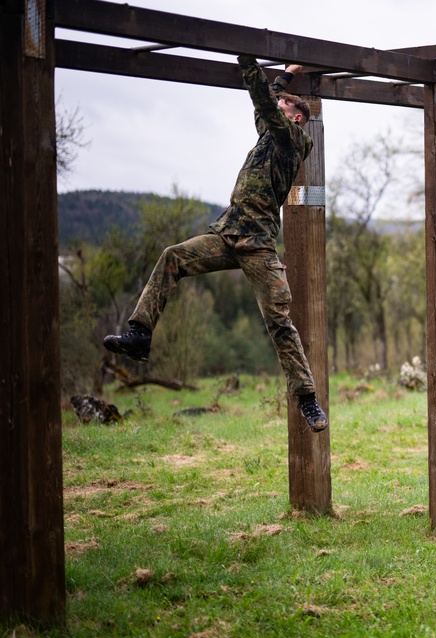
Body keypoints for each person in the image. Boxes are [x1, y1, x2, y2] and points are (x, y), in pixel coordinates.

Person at [104, 56, 328, 433]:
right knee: (172, 257)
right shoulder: (270, 135)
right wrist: (286, 76)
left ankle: (307, 398)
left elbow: (263, 100)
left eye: (284, 105)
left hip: (257, 243)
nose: (277, 106)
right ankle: (140, 334)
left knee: (279, 321)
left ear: (295, 118)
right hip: (227, 234)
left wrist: (248, 59)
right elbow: (268, 103)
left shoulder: (292, 141)